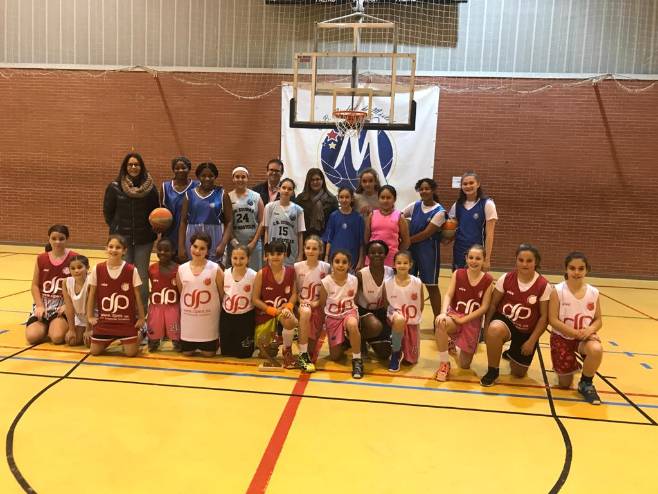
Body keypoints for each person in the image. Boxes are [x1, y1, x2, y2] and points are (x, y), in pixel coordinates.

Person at [480, 244, 551, 386]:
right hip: (505, 322)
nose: (524, 264)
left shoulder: (543, 285)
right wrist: (486, 327)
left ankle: (511, 352)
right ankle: (493, 371)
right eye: (521, 260)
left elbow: (544, 317)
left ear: (536, 262)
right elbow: (493, 304)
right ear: (516, 260)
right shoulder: (506, 278)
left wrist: (532, 341)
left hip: (526, 330)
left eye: (529, 261)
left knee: (518, 373)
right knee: (494, 330)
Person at [103, 152, 159, 307]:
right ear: (125, 167)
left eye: (137, 164)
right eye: (130, 164)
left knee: (141, 276)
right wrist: (117, 230)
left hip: (144, 239)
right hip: (122, 241)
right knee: (123, 275)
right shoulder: (114, 187)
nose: (133, 167)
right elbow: (108, 213)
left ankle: (142, 312)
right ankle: (124, 310)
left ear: (142, 167)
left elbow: (155, 212)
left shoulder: (151, 188)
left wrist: (151, 230)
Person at [548, 252, 604, 405]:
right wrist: (576, 333)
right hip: (562, 338)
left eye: (581, 268)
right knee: (565, 384)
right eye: (572, 268)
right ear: (566, 269)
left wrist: (590, 330)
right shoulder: (557, 291)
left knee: (596, 349)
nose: (576, 272)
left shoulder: (593, 292)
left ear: (587, 270)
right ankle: (569, 365)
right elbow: (553, 320)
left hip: (584, 338)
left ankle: (586, 383)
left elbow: (598, 320)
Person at [433, 245, 494, 382]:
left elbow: (484, 307)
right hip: (455, 315)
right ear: (466, 258)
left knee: (464, 365)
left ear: (484, 260)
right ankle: (444, 363)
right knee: (441, 322)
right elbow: (449, 294)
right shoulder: (458, 274)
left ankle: (452, 343)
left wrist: (464, 320)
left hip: (472, 321)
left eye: (478, 258)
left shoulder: (488, 280)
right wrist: (443, 313)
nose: (474, 261)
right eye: (471, 257)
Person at [86, 234, 146, 357]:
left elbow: (137, 296)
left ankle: (141, 332)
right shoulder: (98, 268)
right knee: (94, 352)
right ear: (106, 249)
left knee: (130, 353)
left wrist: (141, 318)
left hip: (126, 322)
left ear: (124, 251)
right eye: (111, 246)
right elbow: (91, 294)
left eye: (118, 247)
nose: (114, 250)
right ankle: (112, 339)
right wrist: (90, 316)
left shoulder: (131, 270)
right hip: (105, 322)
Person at [25, 225, 78, 345]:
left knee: (57, 337)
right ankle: (46, 326)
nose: (57, 242)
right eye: (54, 238)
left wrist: (68, 305)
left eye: (61, 238)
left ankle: (55, 326)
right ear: (48, 239)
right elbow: (34, 285)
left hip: (62, 305)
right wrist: (39, 306)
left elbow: (80, 286)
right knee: (31, 337)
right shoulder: (41, 258)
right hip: (44, 304)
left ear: (67, 239)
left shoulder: (74, 258)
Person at [402, 178, 446, 318]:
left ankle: (437, 319)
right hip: (411, 251)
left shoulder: (440, 212)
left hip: (428, 252)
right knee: (408, 284)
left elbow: (426, 234)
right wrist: (402, 229)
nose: (424, 191)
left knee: (431, 286)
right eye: (421, 189)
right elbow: (399, 217)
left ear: (433, 190)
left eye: (427, 188)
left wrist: (406, 241)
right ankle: (407, 316)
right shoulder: (414, 206)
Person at [252, 240, 299, 369]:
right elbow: (255, 299)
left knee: (289, 320)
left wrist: (289, 306)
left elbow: (294, 294)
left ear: (285, 254)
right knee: (266, 354)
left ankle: (287, 350)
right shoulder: (261, 273)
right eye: (272, 254)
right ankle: (278, 338)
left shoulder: (291, 272)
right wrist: (272, 310)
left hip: (283, 312)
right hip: (266, 314)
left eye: (279, 253)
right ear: (267, 255)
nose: (275, 257)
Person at [176, 232, 223, 357]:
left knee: (209, 354)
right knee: (187, 353)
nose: (197, 251)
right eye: (195, 246)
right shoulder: (181, 269)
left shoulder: (215, 269)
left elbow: (222, 295)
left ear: (207, 251)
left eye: (202, 248)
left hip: (208, 325)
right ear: (190, 246)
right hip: (188, 324)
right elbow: (182, 293)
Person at [319, 250, 364, 379]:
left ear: (349, 265)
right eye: (337, 261)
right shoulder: (326, 282)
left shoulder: (354, 280)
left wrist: (352, 315)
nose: (340, 265)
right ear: (332, 263)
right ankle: (346, 340)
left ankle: (357, 360)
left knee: (352, 324)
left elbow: (355, 300)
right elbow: (322, 303)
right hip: (333, 317)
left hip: (349, 313)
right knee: (335, 357)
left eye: (344, 262)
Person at [178, 162, 233, 265]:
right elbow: (183, 222)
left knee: (214, 269)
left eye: (210, 176)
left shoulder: (222, 194)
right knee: (194, 268)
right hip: (193, 235)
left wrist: (223, 244)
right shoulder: (189, 194)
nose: (207, 179)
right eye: (203, 176)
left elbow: (229, 222)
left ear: (215, 176)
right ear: (198, 176)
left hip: (214, 235)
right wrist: (181, 246)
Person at [448, 171, 497, 272]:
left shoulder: (487, 204)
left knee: (475, 280)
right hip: (459, 250)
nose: (468, 186)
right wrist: (445, 238)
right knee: (458, 279)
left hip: (477, 252)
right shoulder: (457, 205)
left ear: (478, 184)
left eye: (471, 183)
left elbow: (490, 234)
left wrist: (487, 259)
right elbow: (451, 228)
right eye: (465, 184)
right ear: (461, 186)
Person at [384, 251, 424, 372]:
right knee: (400, 319)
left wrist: (414, 317)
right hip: (395, 318)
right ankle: (395, 354)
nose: (402, 265)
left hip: (411, 319)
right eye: (399, 263)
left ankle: (402, 349)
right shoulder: (388, 283)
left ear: (411, 264)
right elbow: (386, 304)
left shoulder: (417, 282)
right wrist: (393, 317)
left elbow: (421, 304)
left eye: (405, 263)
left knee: (411, 360)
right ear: (394, 264)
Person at [295, 235, 330, 369]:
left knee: (312, 350)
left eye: (314, 248)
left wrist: (316, 303)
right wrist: (301, 301)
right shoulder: (297, 266)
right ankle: (302, 354)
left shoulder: (326, 267)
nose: (311, 251)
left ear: (320, 251)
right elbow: (294, 291)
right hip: (302, 305)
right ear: (304, 249)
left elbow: (327, 290)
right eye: (308, 248)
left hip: (318, 305)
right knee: (305, 312)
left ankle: (305, 347)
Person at [356, 240, 394, 361]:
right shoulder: (361, 274)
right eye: (372, 252)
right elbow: (353, 301)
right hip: (363, 313)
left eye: (380, 252)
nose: (376, 255)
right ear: (367, 255)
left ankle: (370, 338)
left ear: (385, 254)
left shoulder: (391, 272)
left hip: (381, 312)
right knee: (374, 325)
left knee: (385, 353)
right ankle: (360, 340)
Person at [220, 244, 257, 358]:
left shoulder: (253, 275)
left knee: (244, 353)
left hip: (246, 318)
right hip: (227, 317)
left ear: (248, 259)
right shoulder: (225, 273)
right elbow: (221, 294)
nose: (238, 261)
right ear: (230, 258)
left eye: (242, 258)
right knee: (227, 353)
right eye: (235, 258)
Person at [146, 239, 181, 352]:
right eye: (160, 249)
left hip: (173, 306)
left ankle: (177, 341)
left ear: (173, 252)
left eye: (166, 250)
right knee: (154, 330)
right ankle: (154, 341)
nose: (162, 252)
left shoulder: (179, 269)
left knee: (175, 330)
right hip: (156, 306)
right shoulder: (151, 269)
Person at [161, 156, 199, 258]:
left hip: (190, 232)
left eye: (183, 167)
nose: (180, 170)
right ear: (173, 170)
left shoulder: (196, 186)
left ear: (189, 169)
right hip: (170, 233)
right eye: (177, 168)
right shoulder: (165, 187)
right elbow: (161, 210)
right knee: (171, 264)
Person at [228, 165, 264, 271]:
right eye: (237, 177)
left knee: (255, 273)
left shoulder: (256, 197)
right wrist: (233, 241)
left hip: (253, 244)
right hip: (235, 243)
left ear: (247, 178)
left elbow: (262, 221)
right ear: (233, 179)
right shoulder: (228, 197)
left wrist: (254, 242)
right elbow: (227, 222)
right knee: (236, 272)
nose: (240, 179)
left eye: (243, 177)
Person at [365, 185, 410, 267]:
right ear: (378, 199)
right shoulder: (372, 215)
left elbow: (406, 242)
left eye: (388, 198)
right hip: (372, 258)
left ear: (394, 199)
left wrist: (396, 253)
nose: (385, 200)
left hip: (391, 259)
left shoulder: (399, 216)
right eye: (382, 197)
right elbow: (366, 238)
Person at [263, 178, 305, 266]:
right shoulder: (269, 207)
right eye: (284, 188)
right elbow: (266, 231)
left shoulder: (298, 210)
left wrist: (300, 255)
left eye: (289, 189)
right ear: (279, 189)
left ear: (292, 192)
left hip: (291, 250)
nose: (286, 191)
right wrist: (266, 252)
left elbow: (300, 234)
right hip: (273, 250)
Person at [323, 186, 364, 271]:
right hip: (335, 256)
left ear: (352, 199)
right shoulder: (333, 216)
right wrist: (326, 257)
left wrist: (360, 261)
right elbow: (329, 239)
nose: (344, 200)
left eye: (347, 197)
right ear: (338, 198)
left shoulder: (358, 218)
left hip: (352, 258)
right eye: (341, 197)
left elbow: (361, 243)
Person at [293, 168, 338, 238]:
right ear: (308, 182)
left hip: (325, 239)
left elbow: (335, 223)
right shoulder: (300, 199)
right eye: (312, 180)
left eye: (317, 179)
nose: (315, 182)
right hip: (305, 238)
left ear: (322, 180)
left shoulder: (332, 199)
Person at [62, 255, 91, 347]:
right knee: (71, 341)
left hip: (93, 318)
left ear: (87, 268)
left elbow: (89, 308)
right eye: (73, 268)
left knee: (89, 343)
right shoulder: (66, 282)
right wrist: (71, 329)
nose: (76, 271)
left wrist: (88, 329)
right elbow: (69, 307)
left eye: (79, 267)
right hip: (80, 318)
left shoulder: (91, 282)